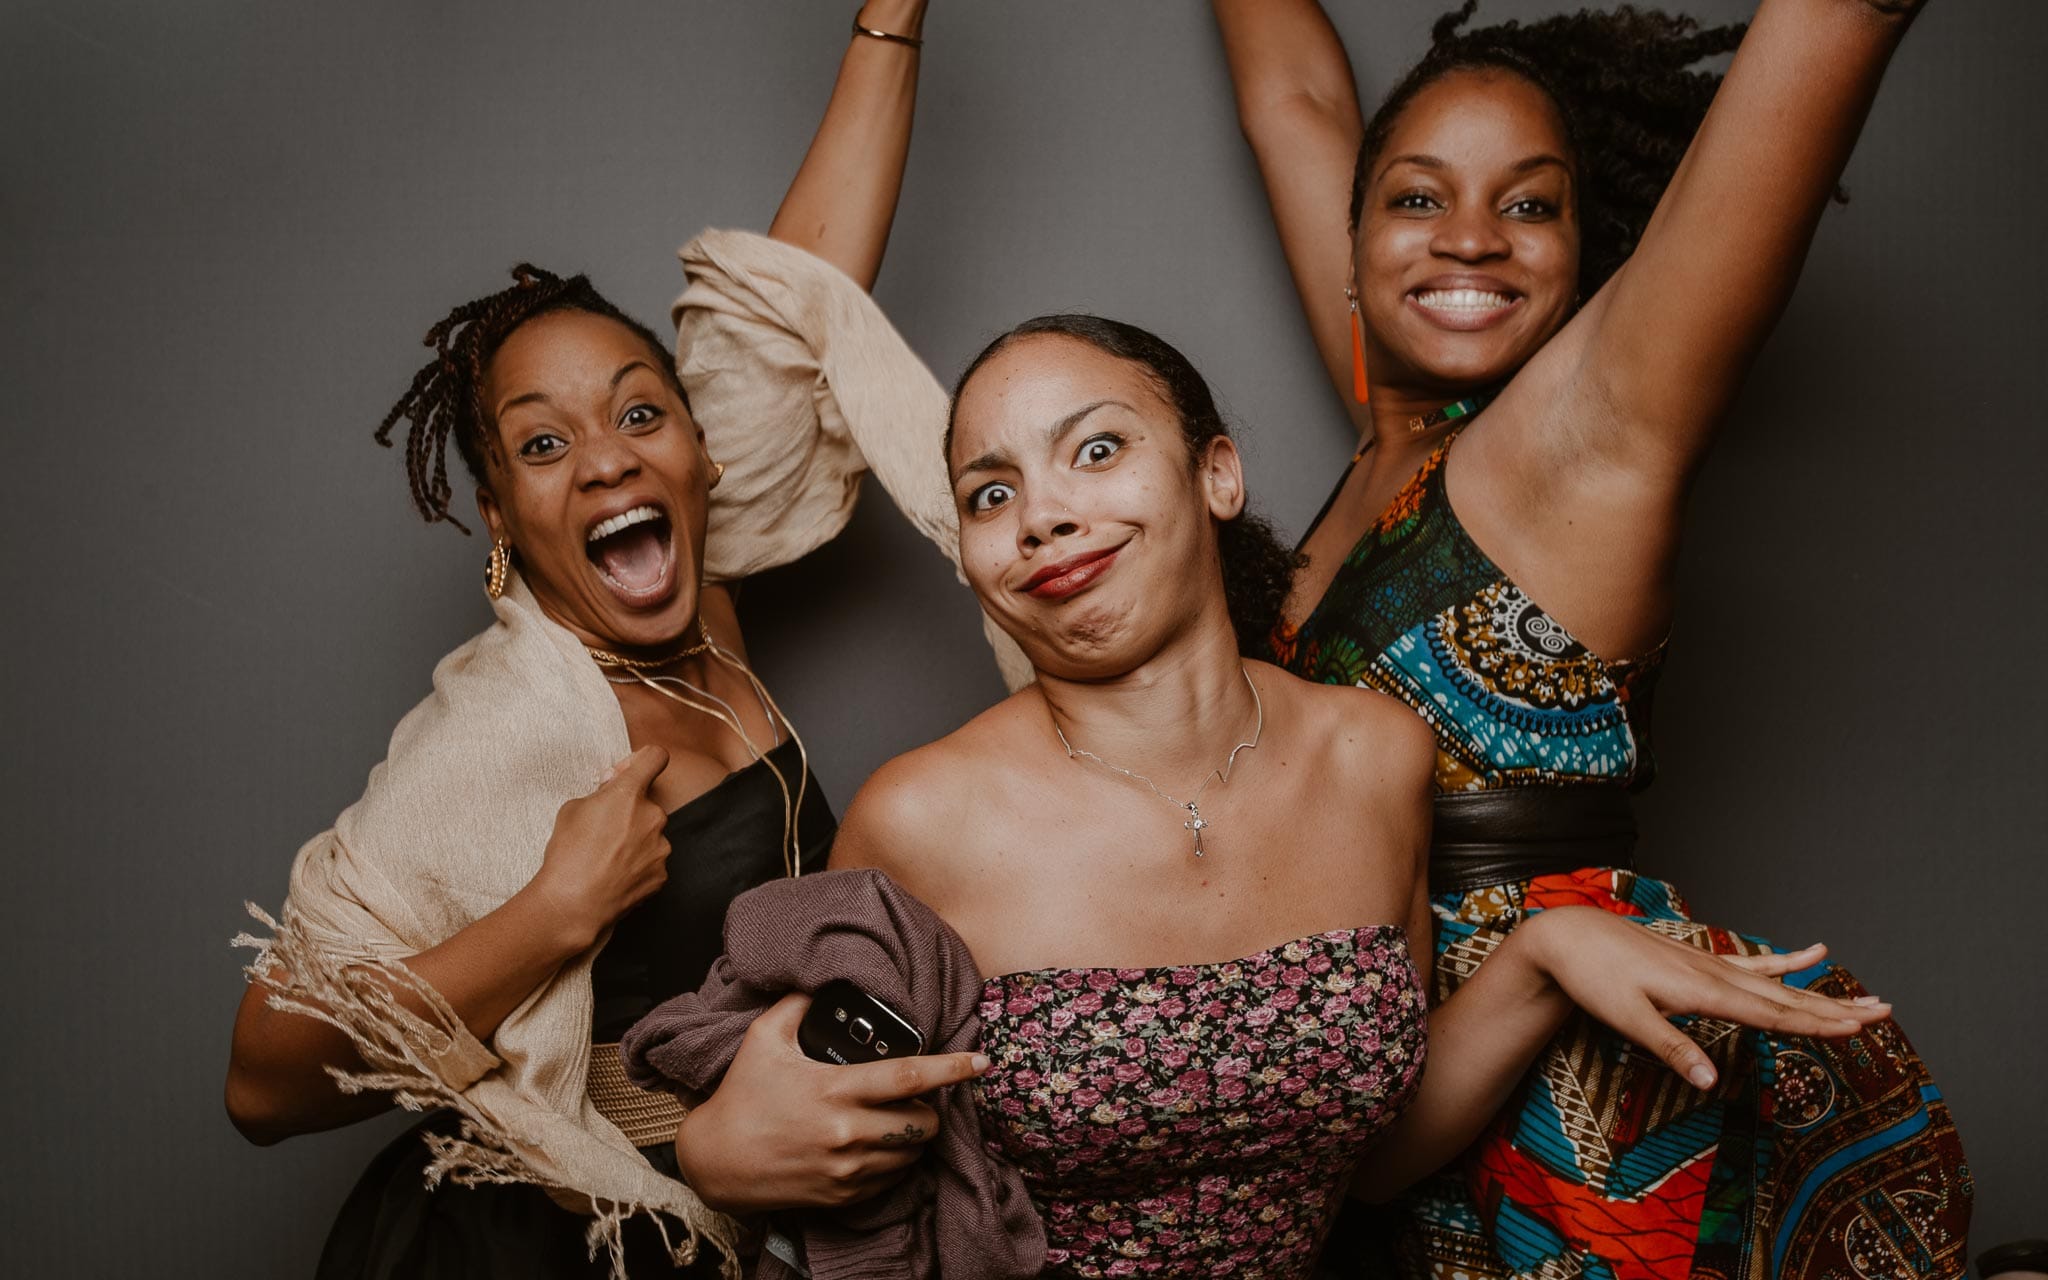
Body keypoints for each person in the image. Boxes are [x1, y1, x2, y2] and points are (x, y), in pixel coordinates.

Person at [801, 314, 1889, 1279]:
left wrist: (1544, 953)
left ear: (1216, 474)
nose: (1040, 514)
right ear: (971, 555)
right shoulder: (914, 820)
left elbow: (1371, 1162)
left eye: (1096, 448)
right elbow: (834, 1190)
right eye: (992, 494)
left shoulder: (1375, 755)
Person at [223, 6, 1002, 1276]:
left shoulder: (705, 608)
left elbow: (796, 291)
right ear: (498, 514)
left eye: (641, 413)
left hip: (705, 1228)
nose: (604, 459)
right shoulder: (518, 722)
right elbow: (263, 1081)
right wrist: (553, 910)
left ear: (696, 457)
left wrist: (886, 22)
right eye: (542, 444)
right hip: (524, 1238)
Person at [1213, 0, 1969, 1276]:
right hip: (1362, 1093)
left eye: (1529, 206)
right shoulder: (1386, 433)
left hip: (1566, 1128)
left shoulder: (1586, 439)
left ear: (1589, 255)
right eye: (1414, 199)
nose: (1468, 238)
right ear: (1349, 242)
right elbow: (1289, 94)